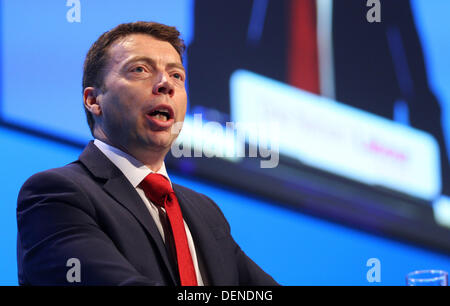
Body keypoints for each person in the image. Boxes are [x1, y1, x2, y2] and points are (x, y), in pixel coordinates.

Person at [16, 21, 278, 286]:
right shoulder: (57, 194)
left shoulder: (205, 213)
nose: (166, 84)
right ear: (94, 101)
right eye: (140, 69)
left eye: (177, 75)